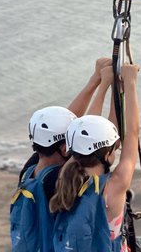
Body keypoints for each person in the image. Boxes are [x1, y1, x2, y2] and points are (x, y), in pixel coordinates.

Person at [50, 64, 141, 252]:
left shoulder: (65, 176)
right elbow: (132, 133)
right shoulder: (115, 185)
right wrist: (130, 83)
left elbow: (86, 130)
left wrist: (112, 86)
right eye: (114, 148)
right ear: (107, 155)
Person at [10, 58, 112, 252]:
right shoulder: (59, 180)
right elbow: (90, 133)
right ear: (65, 149)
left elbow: (67, 123)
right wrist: (105, 87)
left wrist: (95, 79)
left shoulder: (31, 170)